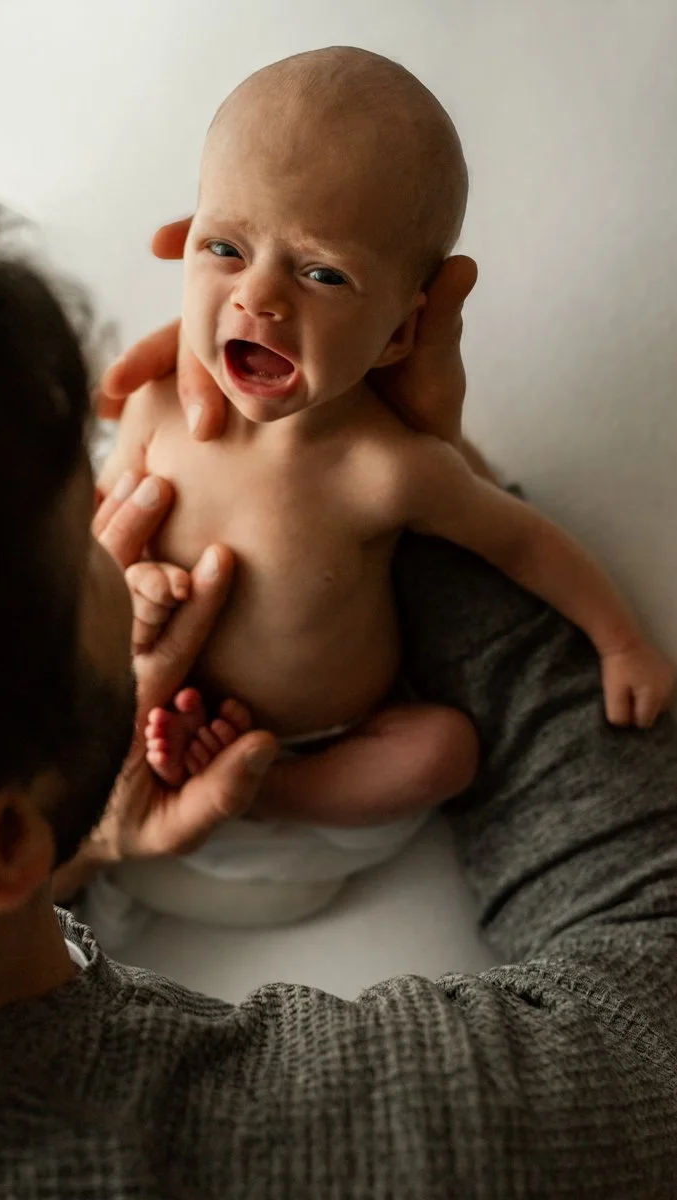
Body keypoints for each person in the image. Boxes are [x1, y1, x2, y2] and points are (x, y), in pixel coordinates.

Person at [0, 170, 676, 1199]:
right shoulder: (285, 1151)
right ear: (1, 840)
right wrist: (395, 466)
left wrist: (73, 841)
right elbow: (647, 1008)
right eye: (87, 536)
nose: (127, 526)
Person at [97, 47, 673, 921]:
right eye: (225, 247)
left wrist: (620, 640)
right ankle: (173, 788)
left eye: (321, 272)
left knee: (441, 750)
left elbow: (520, 540)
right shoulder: (153, 405)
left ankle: (258, 792)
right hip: (156, 716)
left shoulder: (383, 467)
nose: (257, 297)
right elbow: (103, 526)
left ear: (402, 334)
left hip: (325, 746)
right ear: (184, 244)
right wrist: (129, 588)